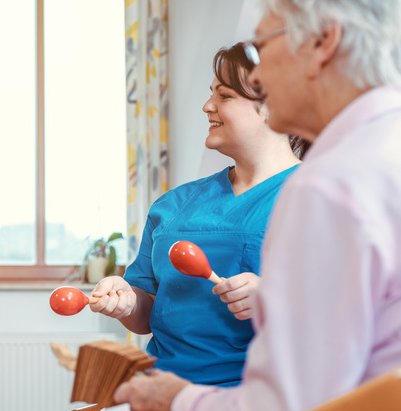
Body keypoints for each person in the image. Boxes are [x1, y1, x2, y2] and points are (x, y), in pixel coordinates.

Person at [113, 1, 401, 411]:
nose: (260, 77)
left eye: (263, 47)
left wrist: (177, 406)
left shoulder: (329, 183)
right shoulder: (382, 148)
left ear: (324, 42)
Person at [90, 42, 304, 388]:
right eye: (211, 95)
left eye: (224, 96)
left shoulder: (315, 199)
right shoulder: (172, 206)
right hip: (160, 388)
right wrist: (127, 303)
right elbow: (147, 312)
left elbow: (349, 319)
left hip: (252, 399)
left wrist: (274, 300)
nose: (208, 106)